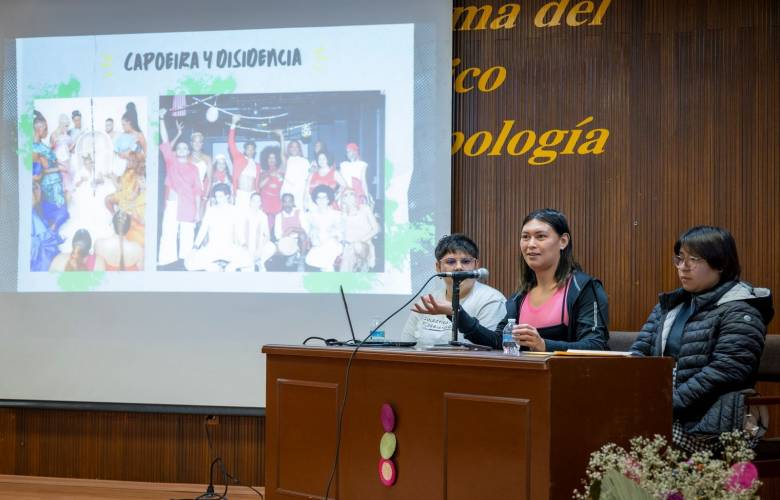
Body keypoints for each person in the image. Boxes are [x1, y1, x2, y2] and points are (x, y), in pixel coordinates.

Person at [630, 226, 773, 453]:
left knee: (620, 438)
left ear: (721, 264)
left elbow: (725, 372)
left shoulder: (741, 310)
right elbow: (639, 353)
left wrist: (665, 405)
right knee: (601, 423)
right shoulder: (669, 307)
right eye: (680, 258)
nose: (683, 267)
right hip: (665, 410)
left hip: (713, 421)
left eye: (694, 259)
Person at [455, 208, 609, 351]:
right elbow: (498, 341)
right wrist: (455, 311)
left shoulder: (584, 288)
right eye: (525, 237)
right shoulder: (520, 296)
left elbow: (595, 345)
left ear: (563, 241)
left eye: (540, 236)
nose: (531, 244)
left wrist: (543, 345)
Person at [402, 234, 506, 347]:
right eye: (450, 262)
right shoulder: (427, 301)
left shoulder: (491, 300)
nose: (458, 267)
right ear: (438, 267)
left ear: (476, 265)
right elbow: (406, 345)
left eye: (466, 261)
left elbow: (491, 349)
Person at [157, 109, 202, 266]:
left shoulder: (194, 168)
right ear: (176, 152)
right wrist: (161, 118)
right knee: (168, 233)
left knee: (187, 236)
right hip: (173, 204)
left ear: (188, 151)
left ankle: (188, 263)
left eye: (185, 148)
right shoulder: (171, 162)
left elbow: (197, 191)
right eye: (179, 148)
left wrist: (198, 212)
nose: (182, 149)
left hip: (188, 205)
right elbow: (165, 140)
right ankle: (165, 261)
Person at [184, 183, 251, 272]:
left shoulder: (234, 210)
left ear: (227, 196)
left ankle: (229, 267)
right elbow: (203, 230)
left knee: (249, 259)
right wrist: (195, 246)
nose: (218, 199)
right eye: (216, 196)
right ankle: (214, 267)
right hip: (213, 247)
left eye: (220, 196)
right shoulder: (211, 210)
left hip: (228, 247)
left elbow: (239, 229)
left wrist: (244, 244)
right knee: (188, 263)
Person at [32, 110, 69, 231]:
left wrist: (59, 165)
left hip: (55, 184)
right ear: (39, 128)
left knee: (60, 214)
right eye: (45, 128)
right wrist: (60, 168)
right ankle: (50, 236)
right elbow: (42, 171)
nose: (47, 131)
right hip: (50, 186)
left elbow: (50, 162)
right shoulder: (34, 148)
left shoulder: (42, 145)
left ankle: (52, 235)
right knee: (60, 214)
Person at [304, 185, 343, 271]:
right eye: (319, 197)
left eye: (324, 197)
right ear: (316, 200)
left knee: (325, 261)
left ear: (328, 199)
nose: (321, 200)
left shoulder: (336, 214)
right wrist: (314, 237)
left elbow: (340, 233)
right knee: (311, 260)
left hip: (333, 244)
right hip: (318, 244)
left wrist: (333, 236)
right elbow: (310, 232)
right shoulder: (311, 215)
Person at [339, 189, 379, 272]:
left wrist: (359, 241)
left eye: (351, 194)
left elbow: (376, 229)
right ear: (343, 200)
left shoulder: (365, 209)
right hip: (349, 247)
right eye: (345, 195)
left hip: (364, 245)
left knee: (357, 247)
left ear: (356, 197)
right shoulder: (343, 215)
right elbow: (342, 234)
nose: (349, 196)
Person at [228, 115, 260, 211]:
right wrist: (233, 124)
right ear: (245, 150)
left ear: (254, 151)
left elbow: (257, 183)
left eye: (252, 149)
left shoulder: (257, 166)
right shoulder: (238, 158)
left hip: (252, 195)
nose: (250, 151)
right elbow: (231, 143)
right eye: (248, 149)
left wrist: (258, 195)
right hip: (241, 194)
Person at [244, 192, 277, 271]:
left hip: (258, 243)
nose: (255, 203)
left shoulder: (263, 216)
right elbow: (238, 234)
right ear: (249, 201)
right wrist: (244, 247)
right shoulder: (243, 214)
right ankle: (252, 262)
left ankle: (260, 261)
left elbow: (267, 235)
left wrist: (259, 249)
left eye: (258, 201)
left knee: (271, 247)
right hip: (245, 245)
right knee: (248, 271)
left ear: (261, 203)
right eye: (253, 201)